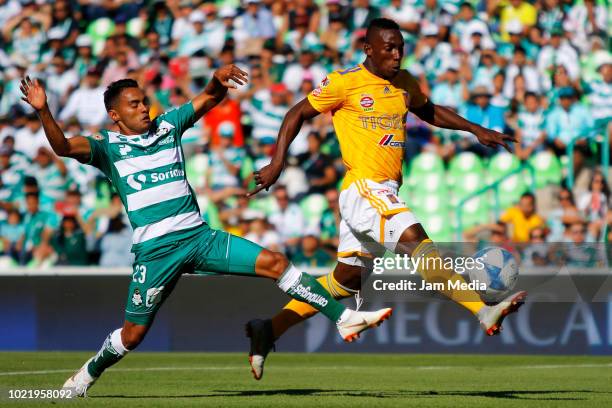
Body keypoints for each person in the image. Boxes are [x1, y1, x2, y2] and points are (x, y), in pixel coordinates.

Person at [20, 66, 390, 396]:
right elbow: (62, 146)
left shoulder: (167, 126)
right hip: (156, 252)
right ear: (115, 115)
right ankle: (87, 374)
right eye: (134, 105)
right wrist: (43, 110)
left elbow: (210, 97)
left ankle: (344, 319)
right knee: (133, 336)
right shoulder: (107, 147)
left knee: (275, 262)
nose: (144, 108)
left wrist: (217, 78)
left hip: (200, 238)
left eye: (144, 101)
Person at [246, 18, 527, 380]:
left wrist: (475, 129)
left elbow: (429, 110)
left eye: (400, 48)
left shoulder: (404, 82)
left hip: (383, 190)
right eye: (389, 48)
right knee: (416, 241)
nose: (396, 55)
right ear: (369, 49)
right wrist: (278, 162)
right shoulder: (345, 82)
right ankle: (481, 309)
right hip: (365, 186)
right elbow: (297, 111)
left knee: (345, 282)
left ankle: (269, 329)